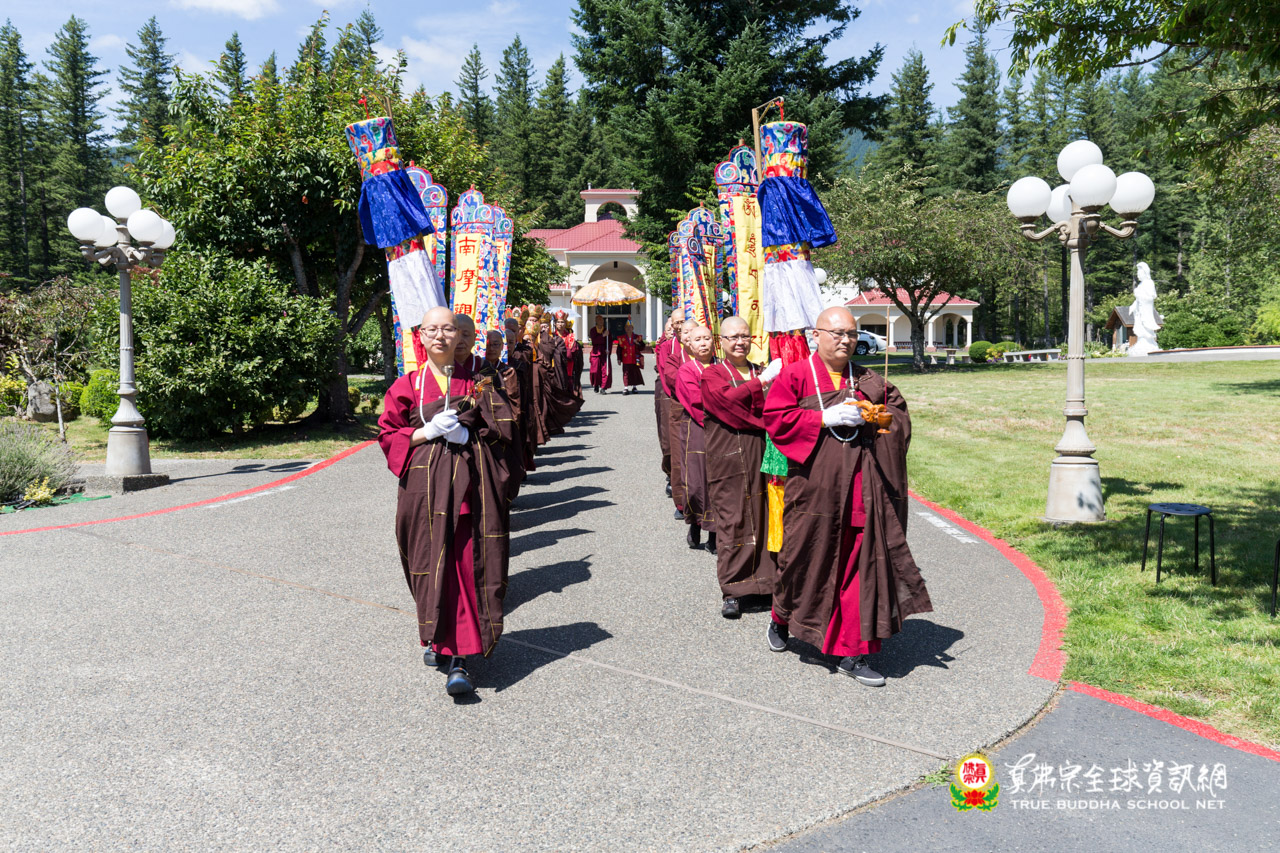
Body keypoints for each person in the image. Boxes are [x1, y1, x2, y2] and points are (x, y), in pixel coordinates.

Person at [762, 306, 933, 687]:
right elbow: (776, 420)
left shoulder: (869, 379)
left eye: (852, 334)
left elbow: (899, 419)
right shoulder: (795, 375)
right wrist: (823, 418)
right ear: (816, 335)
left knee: (860, 565)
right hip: (814, 492)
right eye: (837, 333)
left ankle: (851, 651)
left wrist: (880, 419)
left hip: (861, 491)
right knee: (800, 560)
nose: (846, 340)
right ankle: (781, 617)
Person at [377, 307, 517, 696]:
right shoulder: (407, 385)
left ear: (459, 336)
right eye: (432, 330)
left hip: (471, 489)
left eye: (448, 329)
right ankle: (437, 635)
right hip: (423, 492)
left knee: (464, 569)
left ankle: (460, 658)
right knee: (427, 564)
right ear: (420, 337)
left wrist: (471, 433)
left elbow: (505, 429)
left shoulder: (480, 382)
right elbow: (387, 434)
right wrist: (426, 433)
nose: (440, 336)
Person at [700, 316, 783, 618]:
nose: (739, 342)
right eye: (733, 337)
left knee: (765, 517)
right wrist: (761, 383)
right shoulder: (713, 374)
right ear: (721, 342)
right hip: (729, 457)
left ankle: (767, 585)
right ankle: (733, 590)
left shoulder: (761, 370)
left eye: (745, 336)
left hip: (762, 454)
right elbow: (726, 402)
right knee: (733, 520)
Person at [674, 324, 718, 553]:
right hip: (697, 427)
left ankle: (714, 533)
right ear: (689, 345)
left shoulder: (723, 367)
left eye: (707, 338)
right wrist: (724, 404)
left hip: (723, 430)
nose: (703, 343)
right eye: (698, 339)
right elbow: (694, 400)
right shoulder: (687, 370)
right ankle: (695, 522)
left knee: (717, 480)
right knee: (695, 481)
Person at [479, 328, 527, 493]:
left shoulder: (508, 371)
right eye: (488, 345)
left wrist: (512, 425)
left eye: (496, 345)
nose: (491, 349)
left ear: (502, 348)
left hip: (502, 424)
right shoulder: (477, 370)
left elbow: (514, 401)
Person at [526, 318, 581, 446]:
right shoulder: (525, 339)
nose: (543, 328)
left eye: (545, 325)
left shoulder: (553, 339)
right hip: (531, 377)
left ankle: (544, 430)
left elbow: (555, 353)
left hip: (548, 375)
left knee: (544, 405)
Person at [664, 319, 696, 521]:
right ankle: (681, 501)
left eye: (694, 332)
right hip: (681, 412)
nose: (690, 336)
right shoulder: (674, 359)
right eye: (686, 332)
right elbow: (673, 380)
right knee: (680, 458)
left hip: (705, 414)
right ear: (680, 336)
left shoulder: (712, 360)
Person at [653, 312, 682, 497]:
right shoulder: (665, 346)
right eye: (674, 324)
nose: (676, 327)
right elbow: (666, 374)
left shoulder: (696, 344)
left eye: (682, 322)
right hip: (672, 394)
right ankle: (672, 475)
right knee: (669, 437)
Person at [504, 317, 536, 474]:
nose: (508, 346)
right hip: (503, 407)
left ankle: (520, 469)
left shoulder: (524, 352)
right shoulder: (494, 360)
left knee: (521, 437)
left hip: (521, 403)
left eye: (511, 341)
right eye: (506, 342)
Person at [554, 311, 585, 398]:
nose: (560, 324)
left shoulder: (570, 337)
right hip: (555, 366)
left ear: (565, 323)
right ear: (555, 323)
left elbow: (571, 353)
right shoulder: (551, 336)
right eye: (558, 322)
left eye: (562, 322)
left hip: (567, 366)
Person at [615, 320, 646, 395]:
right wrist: (619, 358)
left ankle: (634, 387)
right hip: (626, 359)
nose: (628, 328)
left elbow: (642, 347)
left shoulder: (637, 337)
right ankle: (626, 388)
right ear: (625, 328)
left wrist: (637, 343)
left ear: (633, 328)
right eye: (627, 327)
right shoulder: (622, 338)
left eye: (630, 327)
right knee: (626, 373)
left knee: (635, 372)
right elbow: (619, 349)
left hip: (635, 358)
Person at [588, 314, 613, 393]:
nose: (600, 321)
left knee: (605, 370)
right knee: (595, 370)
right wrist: (603, 335)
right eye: (598, 320)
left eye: (602, 320)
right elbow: (594, 341)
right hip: (596, 352)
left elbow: (610, 342)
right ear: (596, 321)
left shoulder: (606, 330)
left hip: (604, 352)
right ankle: (596, 384)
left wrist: (608, 350)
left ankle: (603, 387)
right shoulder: (593, 330)